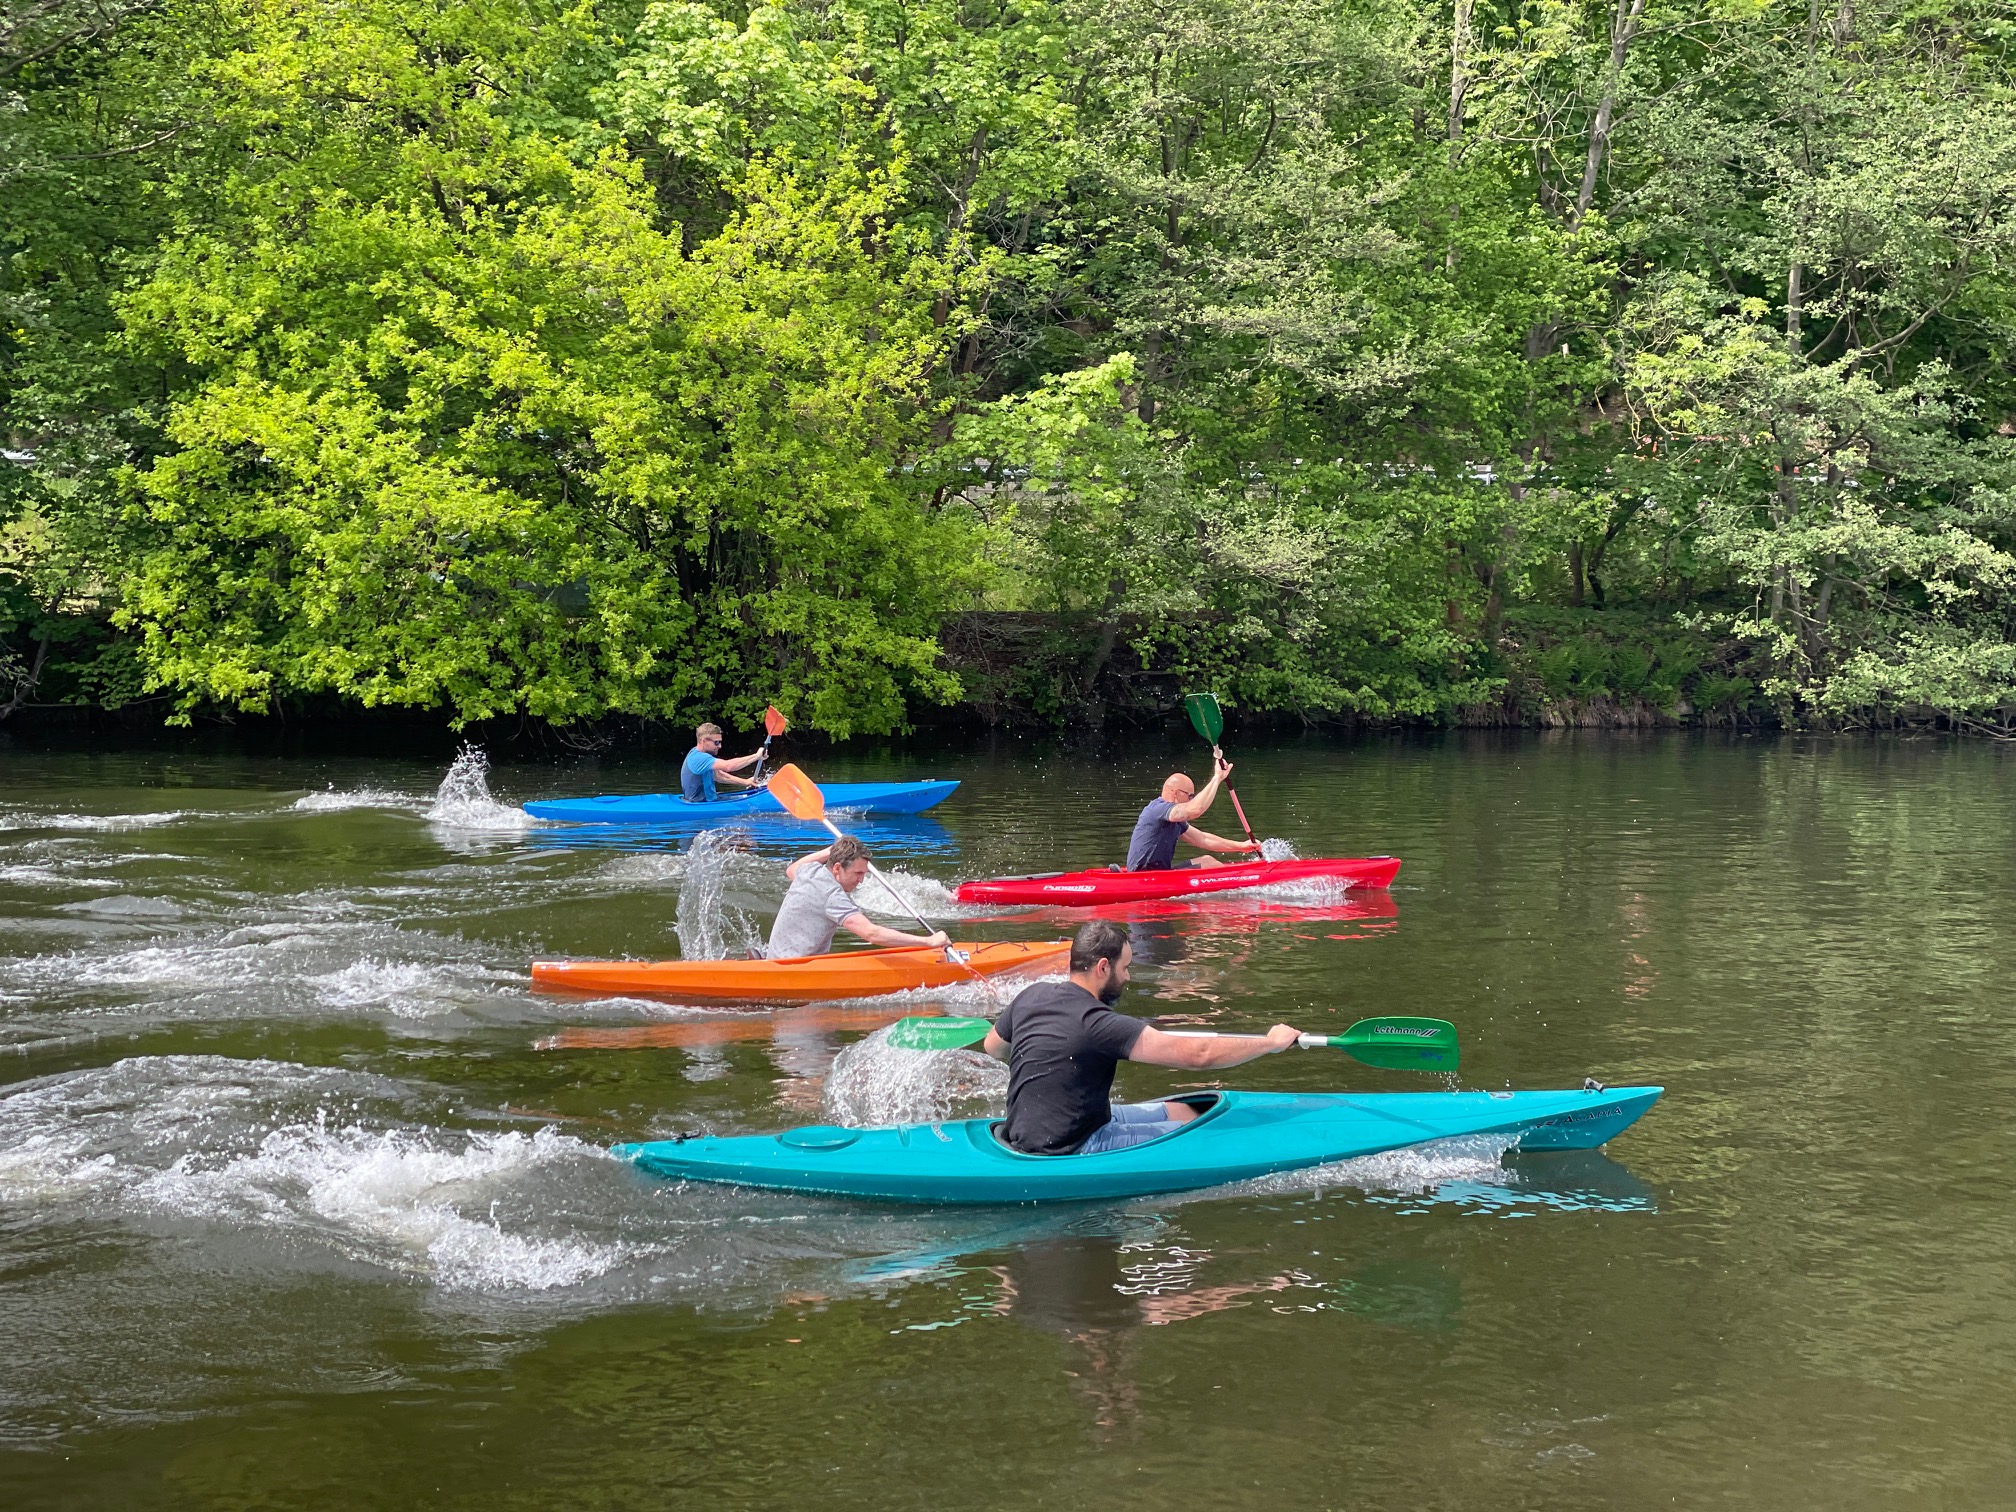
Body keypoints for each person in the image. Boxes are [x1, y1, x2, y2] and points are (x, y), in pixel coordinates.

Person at [982, 919, 1299, 1155]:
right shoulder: (1099, 1024)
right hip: (1071, 1146)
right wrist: (1271, 1043)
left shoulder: (1030, 995)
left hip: (1027, 1130)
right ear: (1103, 967)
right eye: (1125, 967)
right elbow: (1198, 1055)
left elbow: (993, 1047)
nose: (1128, 977)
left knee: (1186, 1111)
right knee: (1199, 1132)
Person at [767, 835, 952, 959]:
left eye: (863, 874)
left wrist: (830, 851)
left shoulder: (811, 871)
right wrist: (927, 941)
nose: (861, 881)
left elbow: (791, 869)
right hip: (793, 970)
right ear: (837, 868)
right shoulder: (832, 894)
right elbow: (871, 933)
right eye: (858, 873)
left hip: (775, 959)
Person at [1125, 756, 1264, 871]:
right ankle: (1241, 884)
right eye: (1190, 796)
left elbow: (1203, 839)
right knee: (1210, 865)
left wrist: (1240, 846)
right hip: (1143, 877)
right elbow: (1195, 810)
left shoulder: (1174, 819)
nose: (1191, 799)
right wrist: (1216, 779)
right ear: (1175, 793)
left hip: (1160, 874)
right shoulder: (1158, 809)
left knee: (1207, 861)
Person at [681, 722, 765, 802]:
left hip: (710, 800)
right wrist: (756, 756)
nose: (720, 746)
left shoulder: (701, 756)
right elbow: (728, 766)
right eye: (716, 742)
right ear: (704, 741)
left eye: (720, 742)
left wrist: (746, 782)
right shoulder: (699, 758)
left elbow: (719, 776)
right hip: (700, 804)